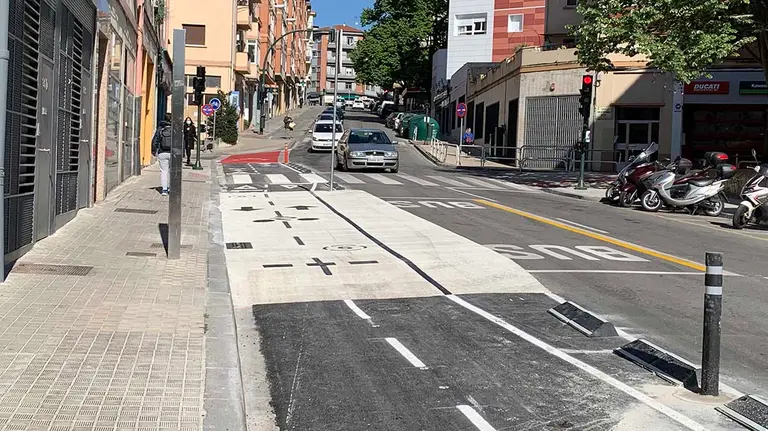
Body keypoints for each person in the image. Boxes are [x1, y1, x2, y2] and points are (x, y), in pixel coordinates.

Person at [152, 114, 173, 196]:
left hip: (162, 152)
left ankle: (164, 190)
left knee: (164, 171)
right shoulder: (175, 128)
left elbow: (155, 140)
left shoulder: (160, 129)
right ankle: (172, 188)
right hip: (173, 153)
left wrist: (154, 151)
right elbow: (181, 141)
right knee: (172, 171)